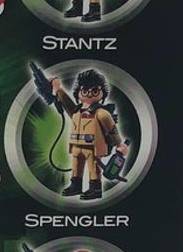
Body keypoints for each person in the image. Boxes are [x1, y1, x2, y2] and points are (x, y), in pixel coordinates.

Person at [51, 68, 128, 200]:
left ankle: (95, 188)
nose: (89, 94)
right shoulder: (77, 111)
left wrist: (119, 144)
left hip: (93, 147)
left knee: (94, 167)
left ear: (102, 93)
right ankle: (75, 185)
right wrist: (58, 89)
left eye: (95, 90)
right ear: (78, 92)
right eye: (85, 90)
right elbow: (67, 103)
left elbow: (112, 129)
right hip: (76, 146)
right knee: (76, 166)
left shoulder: (101, 113)